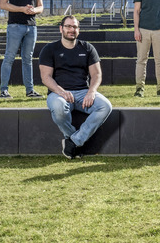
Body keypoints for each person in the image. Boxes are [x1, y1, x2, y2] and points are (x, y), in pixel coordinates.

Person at [39, 15, 113, 159]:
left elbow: (96, 74)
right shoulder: (49, 49)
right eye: (68, 26)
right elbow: (45, 77)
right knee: (59, 108)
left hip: (82, 93)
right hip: (58, 93)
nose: (71, 30)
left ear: (78, 30)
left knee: (105, 106)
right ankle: (74, 140)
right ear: (61, 28)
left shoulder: (87, 48)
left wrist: (91, 92)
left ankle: (73, 141)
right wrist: (61, 91)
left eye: (75, 27)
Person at [0, 0, 44, 99]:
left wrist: (33, 11)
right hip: (15, 26)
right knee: (9, 58)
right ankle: (4, 90)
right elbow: (3, 4)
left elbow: (41, 7)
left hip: (31, 27)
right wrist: (21, 9)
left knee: (28, 59)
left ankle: (30, 91)